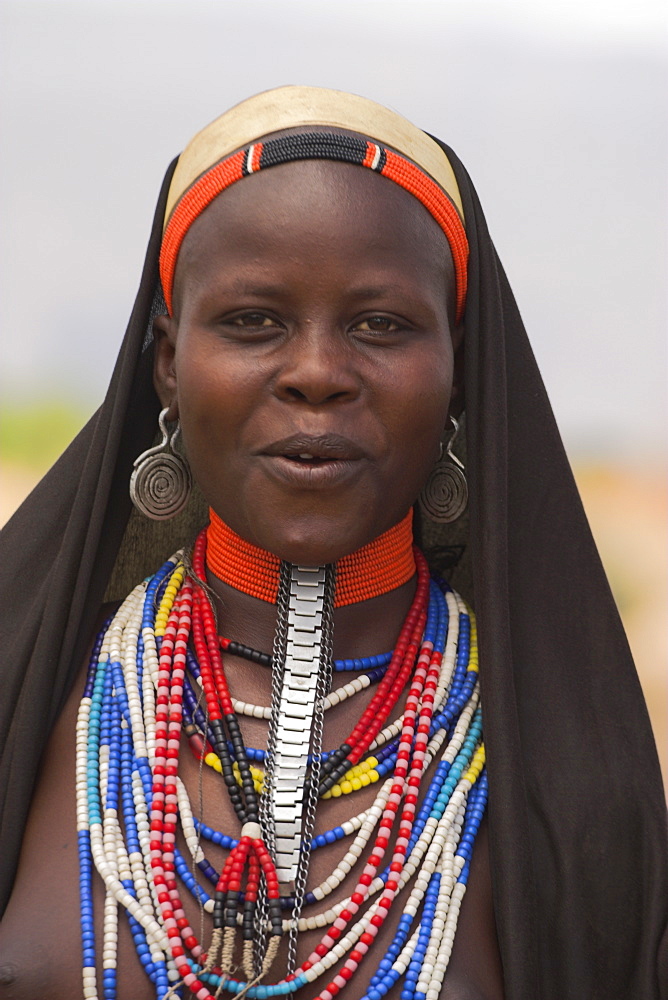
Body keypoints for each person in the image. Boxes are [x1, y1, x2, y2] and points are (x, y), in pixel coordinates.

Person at [0, 86, 665, 1000]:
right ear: (167, 361)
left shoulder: (568, 775)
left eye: (380, 325)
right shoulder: (32, 690)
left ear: (460, 369)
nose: (317, 373)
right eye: (253, 321)